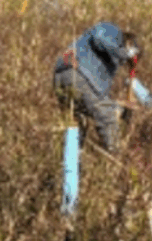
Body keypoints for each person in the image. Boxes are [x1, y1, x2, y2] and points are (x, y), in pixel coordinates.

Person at [53, 21, 140, 152]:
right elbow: (98, 36)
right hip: (78, 73)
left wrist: (119, 107)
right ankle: (116, 157)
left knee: (79, 122)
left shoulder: (105, 62)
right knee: (107, 115)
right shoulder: (113, 31)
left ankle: (72, 164)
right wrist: (125, 53)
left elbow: (96, 99)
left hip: (62, 78)